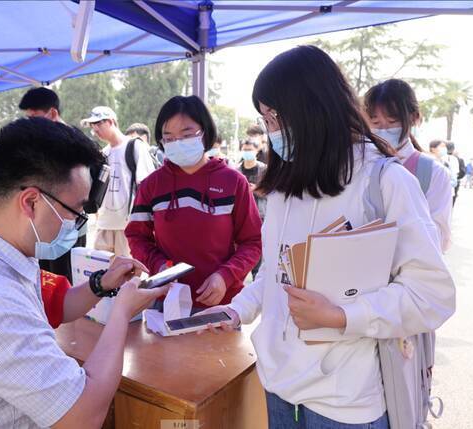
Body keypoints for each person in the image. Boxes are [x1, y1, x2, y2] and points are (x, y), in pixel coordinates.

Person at [198, 46, 455, 428]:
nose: (273, 130)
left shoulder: (383, 182)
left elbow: (431, 296)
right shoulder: (287, 184)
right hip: (279, 388)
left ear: (317, 106)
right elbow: (278, 274)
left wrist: (341, 316)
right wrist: (238, 309)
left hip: (346, 404)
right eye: (266, 118)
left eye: (278, 115)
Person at [0, 117, 169, 428]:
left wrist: (102, 285)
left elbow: (56, 306)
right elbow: (83, 416)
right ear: (32, 201)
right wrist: (121, 312)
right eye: (75, 210)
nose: (77, 224)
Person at [125, 95, 262, 310]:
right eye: (168, 137)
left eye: (186, 134)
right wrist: (159, 266)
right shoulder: (151, 185)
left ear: (204, 132)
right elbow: (136, 235)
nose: (177, 143)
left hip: (221, 305)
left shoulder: (234, 181)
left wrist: (225, 276)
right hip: (167, 302)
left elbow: (253, 242)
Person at [364, 78, 453, 252]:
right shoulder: (360, 165)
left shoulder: (433, 173)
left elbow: (439, 239)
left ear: (414, 118)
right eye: (375, 123)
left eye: (392, 122)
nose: (383, 130)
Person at [19, 86, 89, 282]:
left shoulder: (71, 141)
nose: (30, 123)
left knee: (63, 281)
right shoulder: (43, 139)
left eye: (34, 117)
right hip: (44, 223)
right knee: (45, 279)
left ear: (52, 113)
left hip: (66, 224)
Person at [81, 106, 156, 257]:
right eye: (92, 126)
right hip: (103, 225)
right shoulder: (103, 154)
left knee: (128, 276)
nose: (95, 130)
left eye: (98, 124)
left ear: (111, 121)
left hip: (128, 227)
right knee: (102, 274)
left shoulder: (135, 146)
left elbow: (147, 185)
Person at [236, 139, 267, 279]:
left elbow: (272, 192)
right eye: (245, 149)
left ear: (256, 151)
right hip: (240, 219)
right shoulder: (236, 171)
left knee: (258, 257)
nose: (247, 152)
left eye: (250, 149)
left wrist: (256, 189)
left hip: (260, 216)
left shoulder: (264, 170)